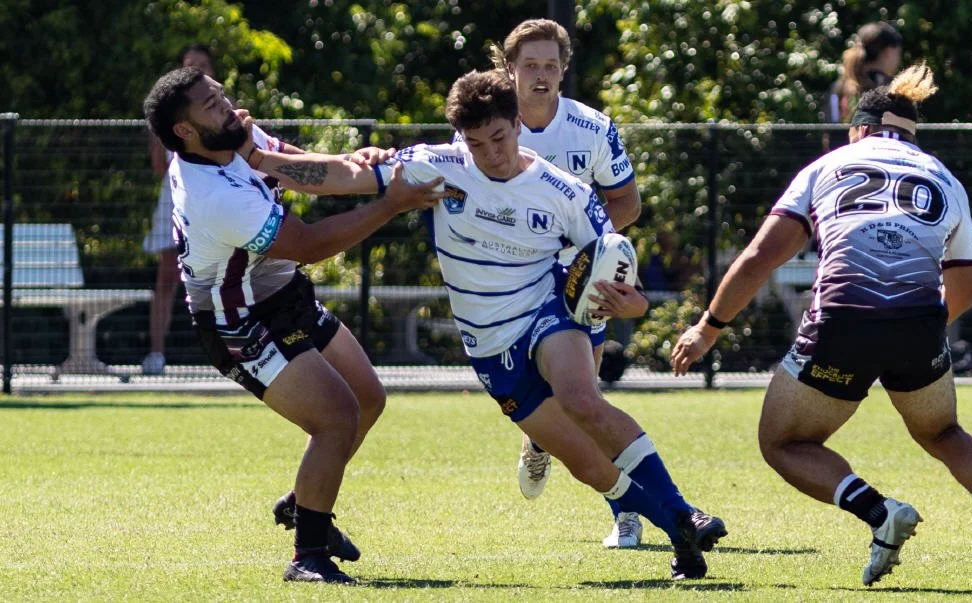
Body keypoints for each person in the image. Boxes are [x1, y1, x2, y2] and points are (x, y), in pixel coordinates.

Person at [670, 64, 972, 588]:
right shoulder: (943, 177)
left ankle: (879, 512)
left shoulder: (829, 166)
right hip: (919, 324)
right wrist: (924, 333)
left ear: (859, 128)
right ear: (911, 133)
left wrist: (708, 328)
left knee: (782, 442)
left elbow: (759, 257)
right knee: (943, 431)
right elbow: (965, 283)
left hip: (841, 321)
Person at [394, 69, 726, 579]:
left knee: (581, 399)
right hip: (488, 342)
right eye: (476, 142)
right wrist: (265, 158)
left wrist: (622, 303)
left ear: (518, 123)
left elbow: (632, 287)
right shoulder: (438, 165)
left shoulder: (569, 177)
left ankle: (684, 513)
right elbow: (350, 175)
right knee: (590, 467)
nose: (490, 152)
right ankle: (679, 531)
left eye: (499, 137)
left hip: (552, 304)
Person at [142, 66, 445, 584]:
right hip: (237, 321)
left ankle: (307, 502)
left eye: (221, 94)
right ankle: (307, 554)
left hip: (282, 293)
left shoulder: (231, 136)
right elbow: (308, 244)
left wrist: (364, 169)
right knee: (336, 418)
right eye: (211, 105)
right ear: (184, 132)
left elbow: (307, 172)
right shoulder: (211, 194)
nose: (228, 106)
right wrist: (389, 204)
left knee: (368, 398)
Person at [485, 17, 648, 549]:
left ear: (563, 70)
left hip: (577, 278)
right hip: (510, 281)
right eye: (529, 65)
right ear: (509, 70)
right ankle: (543, 438)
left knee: (585, 397)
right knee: (563, 398)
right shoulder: (487, 124)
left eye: (550, 65)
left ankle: (625, 511)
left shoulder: (592, 128)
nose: (540, 75)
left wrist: (590, 245)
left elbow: (627, 201)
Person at [141, 44, 305, 376]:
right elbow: (159, 166)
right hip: (186, 198)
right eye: (189, 65)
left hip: (223, 203)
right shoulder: (175, 119)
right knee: (167, 277)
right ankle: (156, 351)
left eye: (202, 66)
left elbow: (298, 166)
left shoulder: (228, 123)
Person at [828, 22, 903, 123]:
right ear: (888, 52)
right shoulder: (892, 90)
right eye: (898, 52)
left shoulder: (839, 87)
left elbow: (831, 128)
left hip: (842, 139)